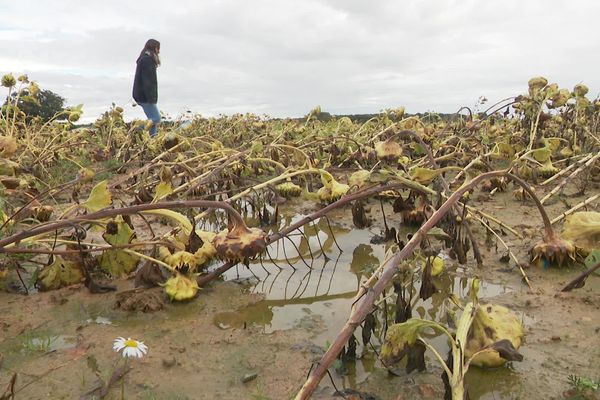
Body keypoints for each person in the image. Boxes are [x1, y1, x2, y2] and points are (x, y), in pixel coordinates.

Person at [133, 39, 161, 137]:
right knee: (156, 118)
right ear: (154, 48)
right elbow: (148, 82)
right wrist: (152, 98)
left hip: (141, 94)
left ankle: (153, 140)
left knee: (152, 120)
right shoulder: (147, 60)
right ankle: (136, 129)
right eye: (158, 48)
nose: (159, 51)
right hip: (144, 95)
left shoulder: (145, 58)